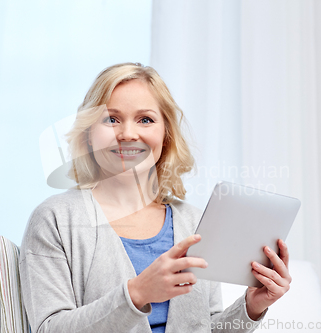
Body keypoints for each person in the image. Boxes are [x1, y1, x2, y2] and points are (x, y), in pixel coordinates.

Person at [19, 63, 292, 333]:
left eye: (145, 120)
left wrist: (251, 308)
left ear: (166, 136)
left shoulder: (195, 223)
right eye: (111, 119)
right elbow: (49, 328)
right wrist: (137, 294)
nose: (127, 134)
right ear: (90, 135)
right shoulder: (54, 219)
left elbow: (204, 328)